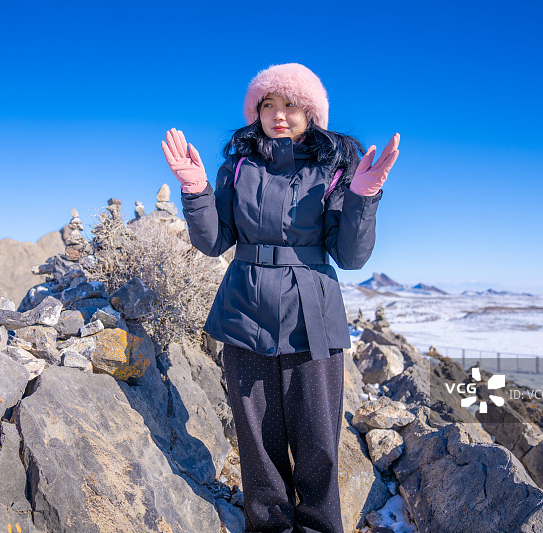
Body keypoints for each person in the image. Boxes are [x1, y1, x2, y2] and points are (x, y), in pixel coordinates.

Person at [161, 63, 399, 533]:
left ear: (310, 112)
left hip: (311, 318)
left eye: (290, 104)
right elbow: (214, 241)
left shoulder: (332, 169)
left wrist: (363, 198)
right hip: (243, 314)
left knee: (317, 444)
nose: (278, 114)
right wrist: (196, 189)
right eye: (268, 104)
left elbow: (350, 257)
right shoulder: (239, 167)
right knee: (257, 445)